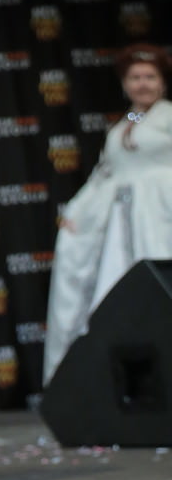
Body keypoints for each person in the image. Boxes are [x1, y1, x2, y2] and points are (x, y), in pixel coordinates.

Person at [43, 43, 172, 384]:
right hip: (120, 222)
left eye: (149, 77)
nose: (142, 84)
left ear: (162, 82)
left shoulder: (168, 116)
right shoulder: (130, 121)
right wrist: (76, 210)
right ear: (125, 83)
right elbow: (104, 173)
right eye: (135, 78)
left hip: (161, 216)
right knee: (117, 293)